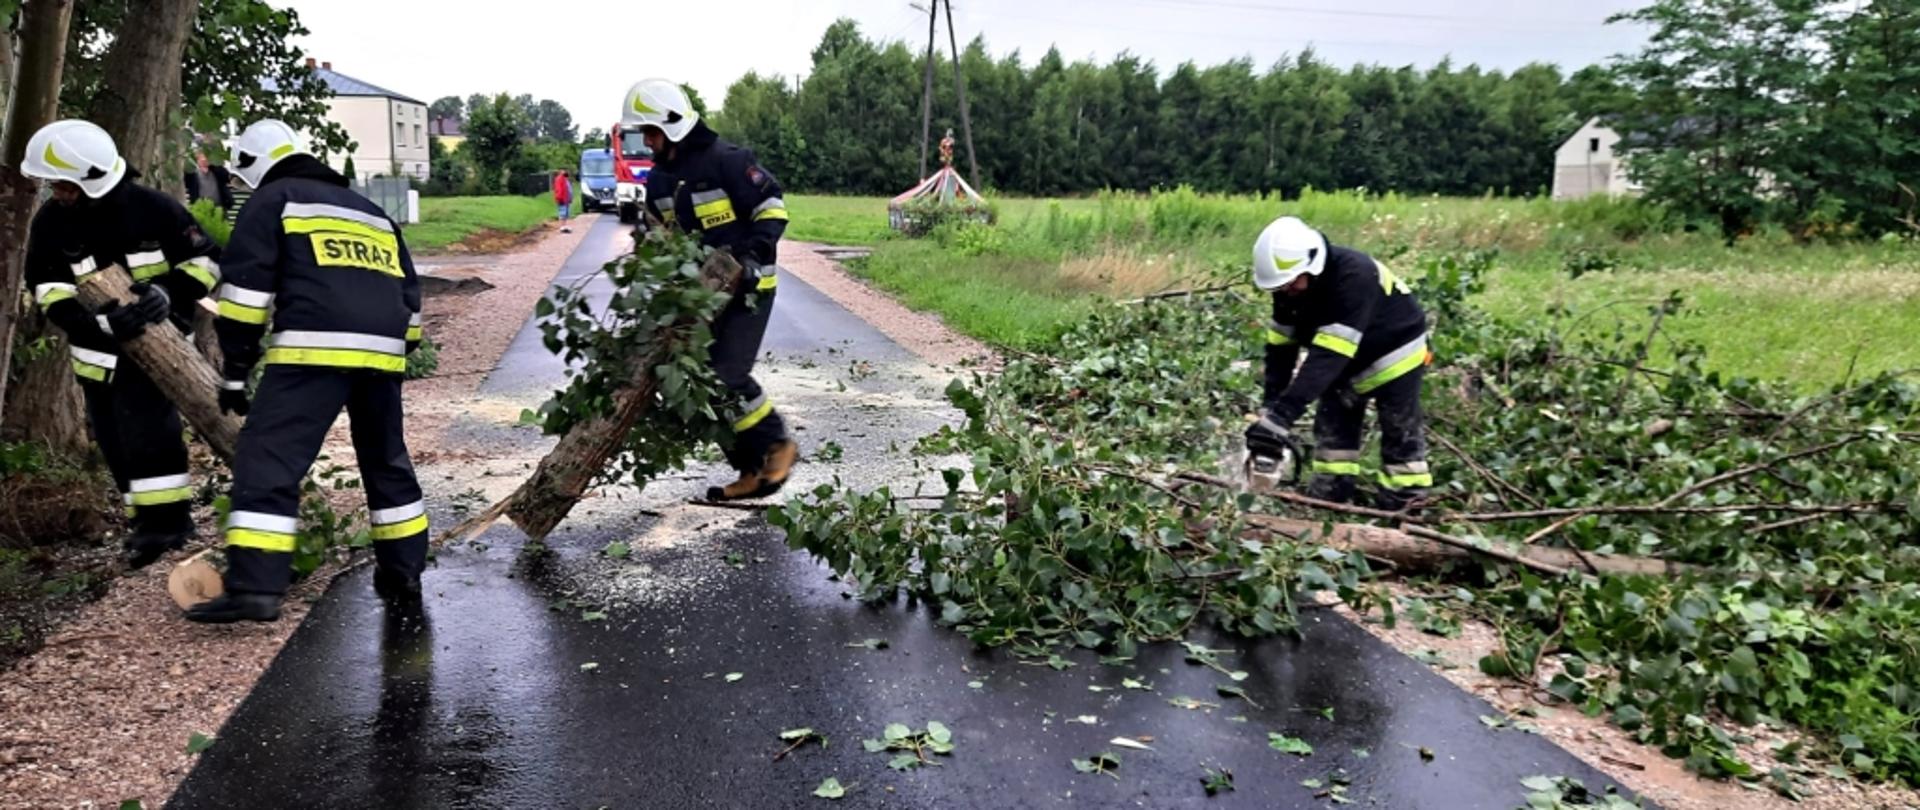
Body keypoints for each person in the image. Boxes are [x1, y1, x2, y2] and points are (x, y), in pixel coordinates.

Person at [184, 119, 427, 624]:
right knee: (387, 462)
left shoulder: (273, 201)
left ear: (254, 166)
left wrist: (236, 370)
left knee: (268, 461)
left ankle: (255, 588)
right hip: (383, 356)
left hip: (311, 354)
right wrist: (398, 352)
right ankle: (404, 572)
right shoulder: (372, 212)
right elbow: (410, 297)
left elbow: (246, 298)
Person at [20, 120, 222, 568]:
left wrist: (169, 292)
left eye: (65, 185)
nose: (57, 192)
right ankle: (144, 523)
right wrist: (98, 323)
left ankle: (169, 524)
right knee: (116, 444)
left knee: (153, 437)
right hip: (97, 358)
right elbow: (48, 289)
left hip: (158, 352)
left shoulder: (155, 209)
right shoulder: (53, 222)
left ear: (92, 177)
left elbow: (206, 261)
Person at [626, 78, 797, 501]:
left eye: (652, 132)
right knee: (699, 383)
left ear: (674, 124)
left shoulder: (729, 162)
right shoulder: (660, 183)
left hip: (748, 292)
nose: (648, 142)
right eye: (645, 134)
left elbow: (771, 207)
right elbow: (657, 234)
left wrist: (755, 254)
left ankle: (778, 447)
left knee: (727, 376)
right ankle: (751, 471)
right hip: (698, 296)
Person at [1243, 216, 1433, 511]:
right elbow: (1281, 349)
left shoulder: (1353, 277)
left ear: (1313, 265)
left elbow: (1329, 356)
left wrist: (1285, 416)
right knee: (1333, 431)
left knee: (1399, 433)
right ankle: (1331, 501)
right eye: (1281, 287)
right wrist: (1271, 410)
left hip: (1395, 350)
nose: (1287, 292)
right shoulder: (1289, 290)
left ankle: (1407, 505)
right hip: (1342, 358)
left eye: (1291, 284)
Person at [183, 149, 236, 217]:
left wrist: (214, 165)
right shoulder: (193, 174)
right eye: (201, 158)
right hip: (201, 209)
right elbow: (186, 182)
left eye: (206, 158)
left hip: (219, 209)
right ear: (197, 159)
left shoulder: (216, 171)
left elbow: (227, 178)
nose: (204, 160)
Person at [552, 169, 573, 233]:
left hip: (566, 199)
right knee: (562, 212)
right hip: (562, 199)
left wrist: (570, 198)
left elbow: (568, 190)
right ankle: (562, 226)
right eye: (563, 171)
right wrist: (559, 198)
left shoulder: (565, 179)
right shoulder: (559, 179)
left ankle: (564, 225)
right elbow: (559, 190)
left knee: (566, 213)